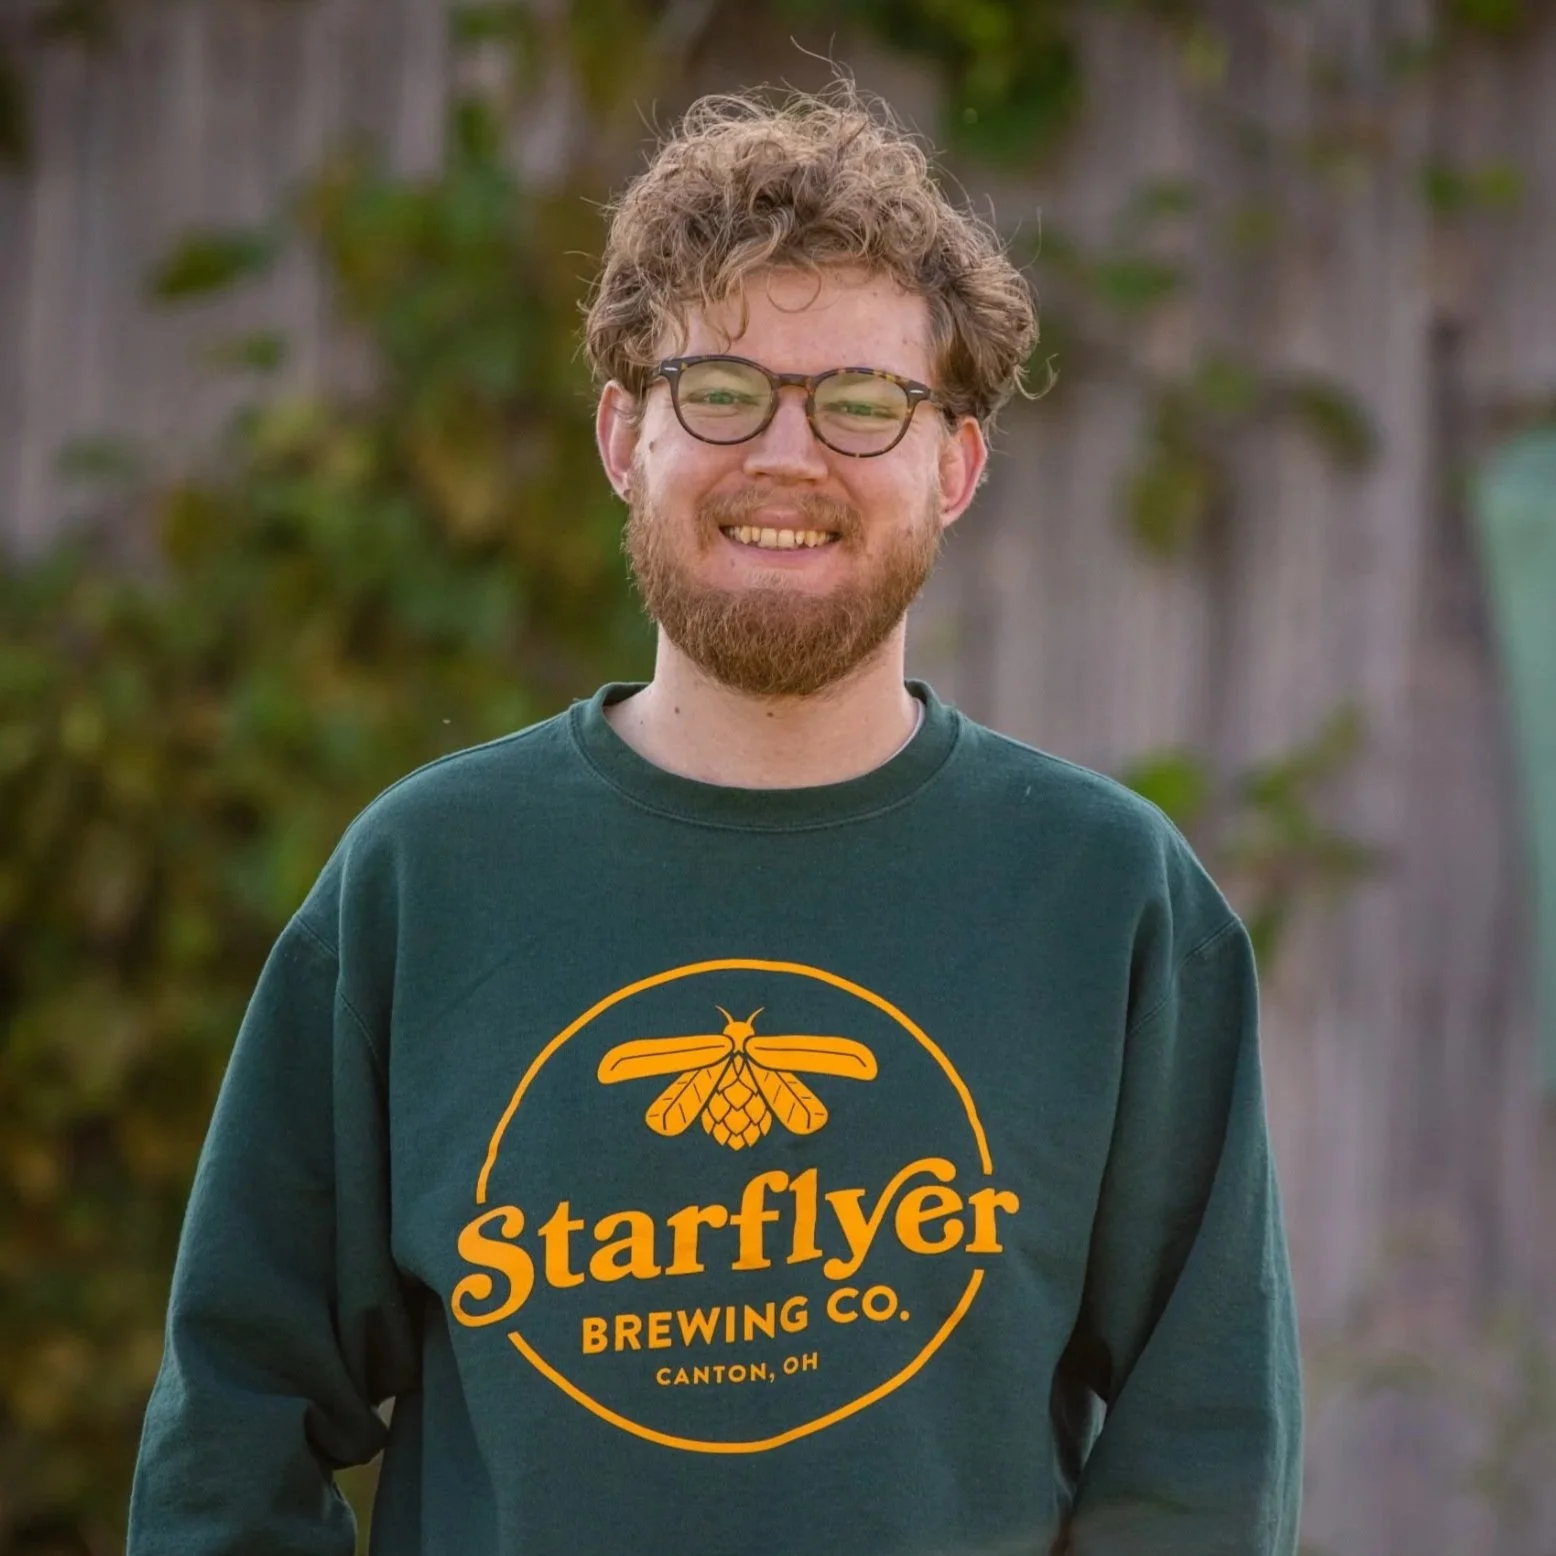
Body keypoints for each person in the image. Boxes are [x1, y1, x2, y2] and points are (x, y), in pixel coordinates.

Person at [129, 87, 1302, 1556]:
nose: (789, 457)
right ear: (626, 436)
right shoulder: (429, 880)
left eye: (864, 402)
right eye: (723, 390)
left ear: (956, 465)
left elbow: (1202, 1462)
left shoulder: (1110, 899)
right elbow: (234, 1424)